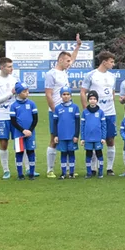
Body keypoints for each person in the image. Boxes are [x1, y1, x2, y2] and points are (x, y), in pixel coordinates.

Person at [41, 34, 82, 178]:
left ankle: (69, 169)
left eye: (70, 61)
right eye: (67, 61)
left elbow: (74, 57)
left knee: (69, 138)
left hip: (68, 112)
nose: (70, 63)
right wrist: (55, 111)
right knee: (54, 139)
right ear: (60, 60)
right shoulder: (51, 74)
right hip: (57, 111)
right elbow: (48, 94)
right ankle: (50, 169)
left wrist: (77, 46)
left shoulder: (64, 71)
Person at [81, 51, 120, 176]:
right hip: (94, 113)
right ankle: (92, 168)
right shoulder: (91, 75)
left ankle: (109, 168)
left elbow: (112, 92)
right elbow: (83, 92)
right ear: (104, 62)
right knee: (93, 139)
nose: (113, 64)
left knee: (110, 139)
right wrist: (86, 110)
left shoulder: (112, 76)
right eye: (111, 62)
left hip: (110, 113)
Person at [0, 56, 19, 179]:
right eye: (9, 66)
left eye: (12, 66)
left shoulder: (15, 79)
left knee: (20, 141)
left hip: (16, 115)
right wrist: (10, 93)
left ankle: (27, 168)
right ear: (2, 67)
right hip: (2, 115)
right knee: (4, 142)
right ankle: (6, 170)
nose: (12, 69)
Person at [8, 83, 39, 179]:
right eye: (24, 91)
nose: (27, 93)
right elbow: (13, 121)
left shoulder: (32, 104)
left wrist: (30, 130)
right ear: (18, 93)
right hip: (18, 133)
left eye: (27, 91)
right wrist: (22, 130)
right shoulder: (13, 106)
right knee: (19, 152)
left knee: (31, 151)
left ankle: (31, 173)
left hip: (30, 133)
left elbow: (35, 119)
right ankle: (20, 174)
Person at [52, 87, 81, 178]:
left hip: (72, 136)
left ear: (71, 95)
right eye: (64, 94)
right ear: (61, 96)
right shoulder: (57, 108)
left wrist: (76, 135)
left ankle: (71, 173)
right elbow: (55, 122)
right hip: (62, 136)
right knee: (63, 154)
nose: (66, 96)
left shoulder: (75, 107)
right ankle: (63, 173)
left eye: (68, 94)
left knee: (71, 153)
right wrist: (56, 135)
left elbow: (77, 122)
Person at [81, 91, 108, 178]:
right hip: (88, 138)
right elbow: (82, 126)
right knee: (88, 155)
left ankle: (100, 172)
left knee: (99, 154)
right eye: (91, 99)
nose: (92, 101)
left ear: (97, 100)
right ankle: (89, 172)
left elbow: (104, 126)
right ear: (88, 100)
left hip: (98, 138)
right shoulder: (85, 112)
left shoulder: (100, 112)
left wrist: (103, 137)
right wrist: (82, 138)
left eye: (94, 99)